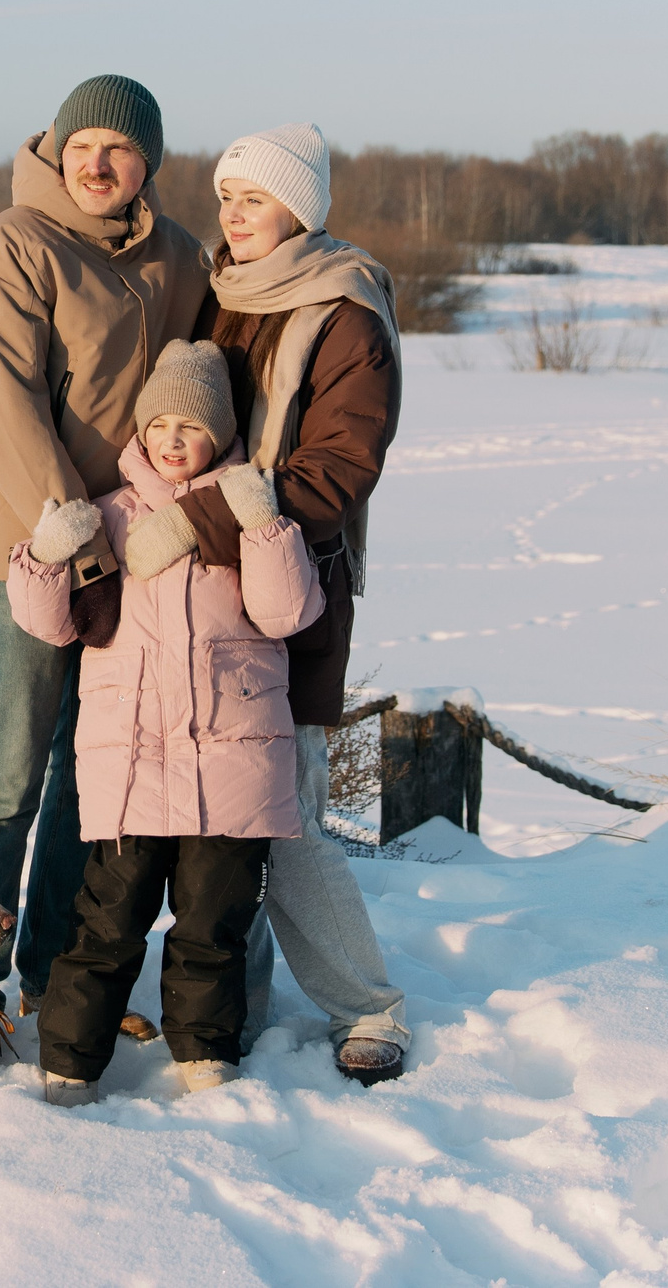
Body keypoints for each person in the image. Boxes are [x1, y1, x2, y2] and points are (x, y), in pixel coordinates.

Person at [0, 75, 213, 1073]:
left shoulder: (179, 256)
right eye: (83, 145)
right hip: (32, 554)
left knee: (95, 783)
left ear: (149, 163)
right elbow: (5, 411)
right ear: (56, 150)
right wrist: (77, 538)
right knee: (11, 771)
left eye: (122, 150)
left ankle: (57, 976)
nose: (99, 164)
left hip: (136, 559)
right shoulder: (9, 247)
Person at [129, 121, 411, 1087]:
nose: (232, 215)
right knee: (217, 819)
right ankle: (232, 1009)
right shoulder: (221, 301)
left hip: (293, 592)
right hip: (201, 602)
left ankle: (369, 1006)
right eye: (225, 198)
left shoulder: (346, 317)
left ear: (302, 210)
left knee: (281, 819)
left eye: (253, 198)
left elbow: (335, 471)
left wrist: (194, 523)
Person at [4, 341, 324, 1099]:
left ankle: (206, 1057)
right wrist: (44, 556)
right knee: (107, 927)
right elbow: (52, 624)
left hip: (230, 768)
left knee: (210, 927)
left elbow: (289, 611)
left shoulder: (243, 513)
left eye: (192, 426)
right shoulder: (109, 517)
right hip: (132, 769)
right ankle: (69, 1065)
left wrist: (265, 528)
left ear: (221, 435)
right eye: (161, 424)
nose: (173, 439)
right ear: (141, 430)